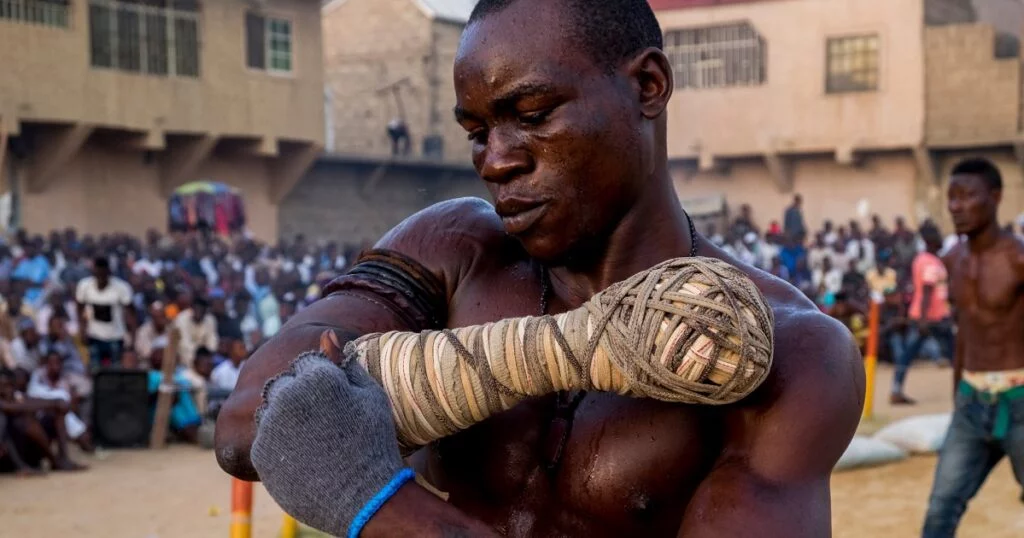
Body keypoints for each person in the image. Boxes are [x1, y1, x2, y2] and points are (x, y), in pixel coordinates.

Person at [216, 1, 863, 536]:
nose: (496, 162)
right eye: (476, 131)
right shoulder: (456, 251)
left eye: (532, 116)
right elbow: (249, 421)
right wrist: (567, 350)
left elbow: (314, 441)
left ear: (648, 87)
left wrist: (378, 503)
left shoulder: (785, 352)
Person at [922, 158, 1024, 537]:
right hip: (970, 403)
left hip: (1020, 400)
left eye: (968, 196)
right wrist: (957, 395)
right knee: (940, 511)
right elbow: (964, 330)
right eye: (951, 197)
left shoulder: (1017, 259)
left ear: (995, 197)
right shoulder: (952, 260)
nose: (956, 207)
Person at [892, 226, 952, 405]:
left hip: (933, 314)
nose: (942, 239)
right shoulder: (929, 262)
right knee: (953, 352)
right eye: (939, 236)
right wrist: (924, 320)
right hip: (930, 317)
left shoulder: (927, 259)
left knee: (909, 354)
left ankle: (896, 389)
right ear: (930, 240)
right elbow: (926, 290)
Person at [0, 368, 86, 472]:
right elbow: (12, 407)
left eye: (8, 385)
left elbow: (30, 403)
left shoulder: (19, 397)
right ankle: (53, 461)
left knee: (51, 416)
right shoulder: (8, 402)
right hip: (7, 456)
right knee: (23, 421)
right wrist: (54, 403)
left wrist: (56, 404)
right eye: (1, 386)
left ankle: (63, 458)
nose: (4, 390)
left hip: (27, 451)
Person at [76, 256, 133, 368]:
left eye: (103, 274)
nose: (101, 278)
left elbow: (131, 313)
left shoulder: (121, 288)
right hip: (94, 335)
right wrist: (82, 330)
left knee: (115, 369)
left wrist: (132, 338)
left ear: (108, 272)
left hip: (115, 336)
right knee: (95, 370)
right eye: (98, 274)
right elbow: (79, 307)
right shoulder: (85, 286)